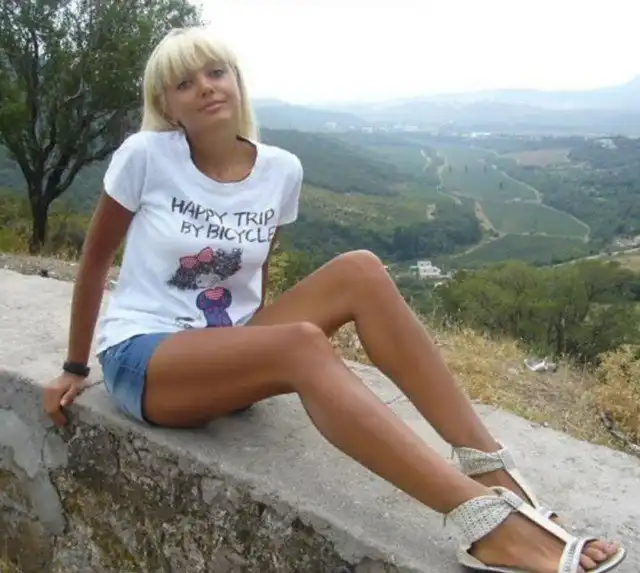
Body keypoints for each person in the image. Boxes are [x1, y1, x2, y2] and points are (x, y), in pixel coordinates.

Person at [42, 27, 625, 573]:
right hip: (145, 357)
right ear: (167, 105)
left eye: (216, 73)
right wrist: (74, 366)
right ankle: (483, 522)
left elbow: (254, 275)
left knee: (361, 271)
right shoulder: (146, 156)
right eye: (184, 83)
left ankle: (489, 467)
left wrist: (248, 360)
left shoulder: (280, 170)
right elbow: (94, 261)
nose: (206, 88)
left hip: (223, 348)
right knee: (301, 344)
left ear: (237, 81)